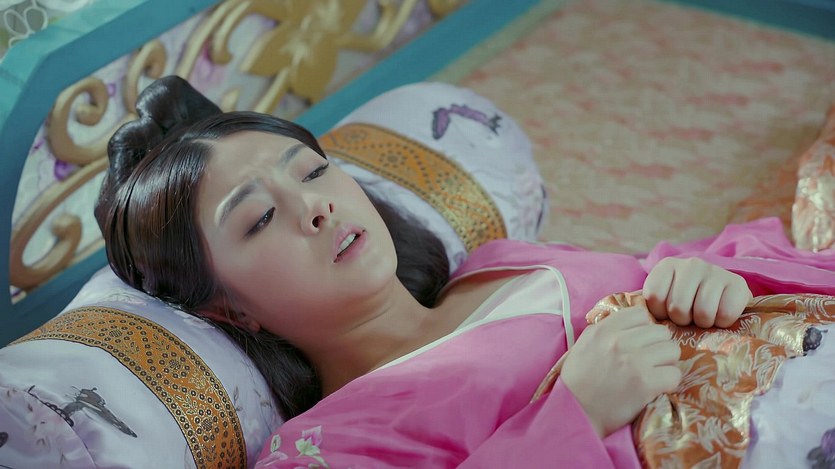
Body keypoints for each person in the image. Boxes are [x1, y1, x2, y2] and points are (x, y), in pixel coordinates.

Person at [96, 76, 835, 467]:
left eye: (313, 171)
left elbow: (692, 266)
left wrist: (709, 280)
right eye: (258, 218)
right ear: (226, 309)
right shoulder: (328, 445)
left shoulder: (495, 264)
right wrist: (574, 414)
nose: (314, 208)